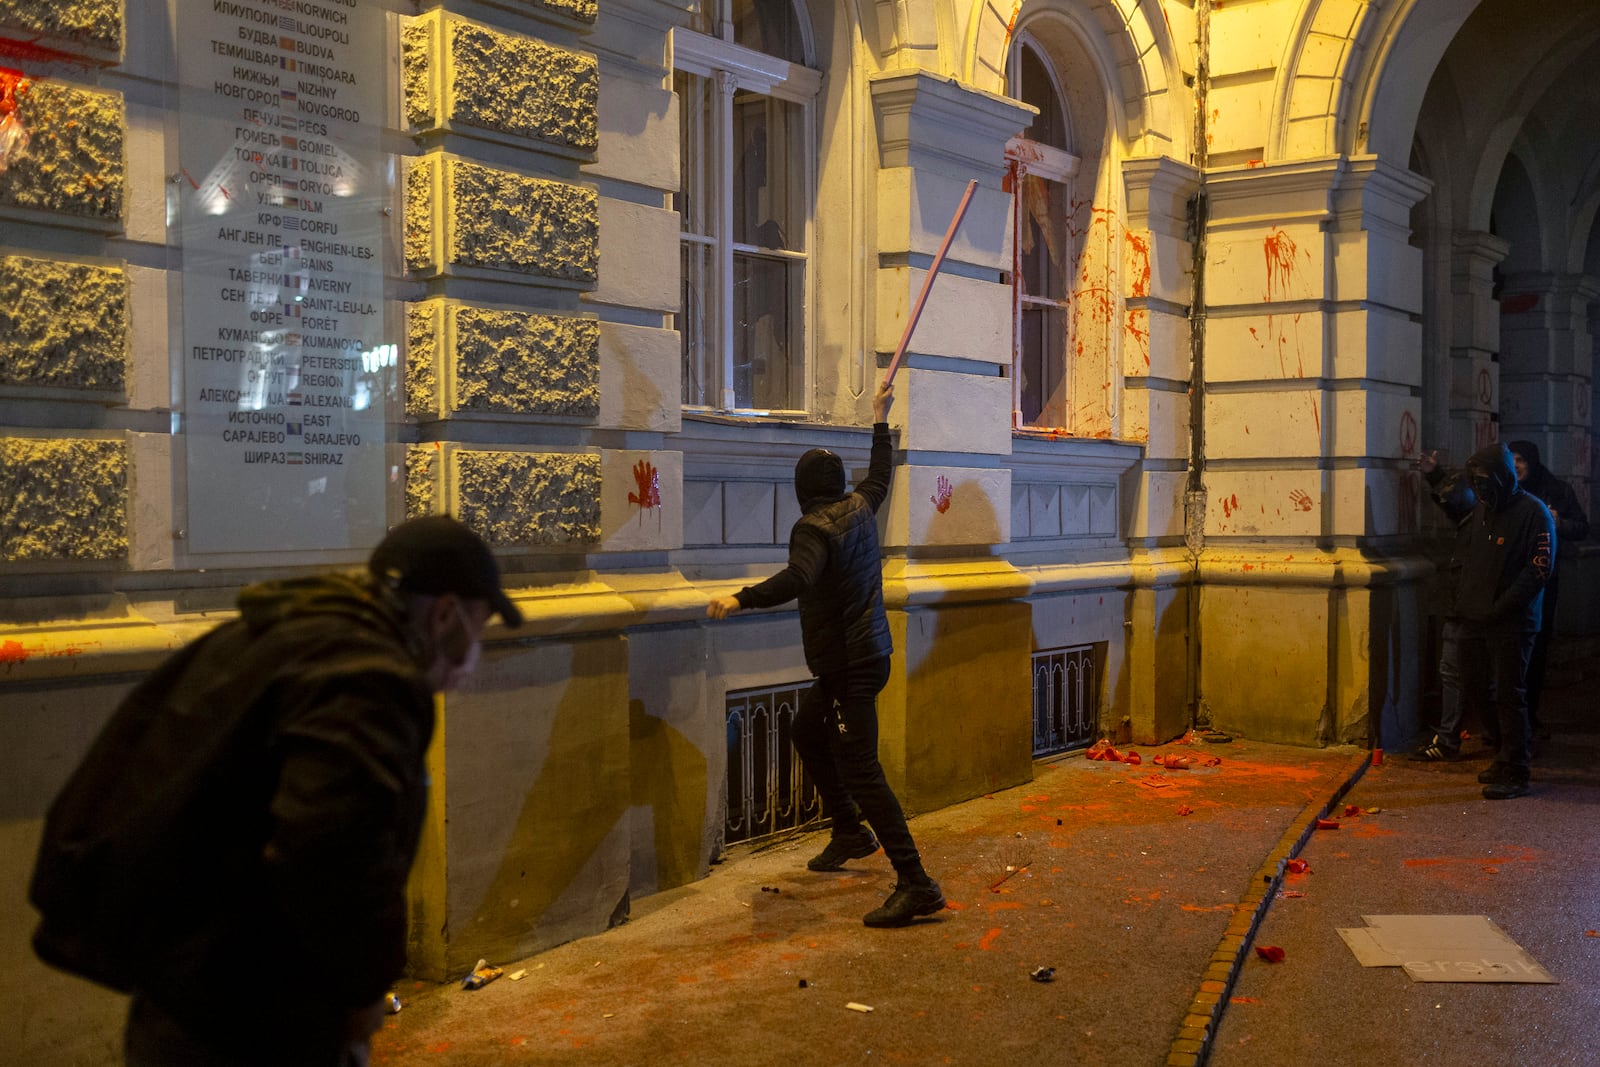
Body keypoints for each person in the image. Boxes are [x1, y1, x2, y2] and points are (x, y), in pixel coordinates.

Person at [29, 515, 522, 1066]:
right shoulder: (365, 677)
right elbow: (332, 852)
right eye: (477, 631)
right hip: (250, 1012)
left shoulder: (290, 631)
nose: (474, 654)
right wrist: (358, 994)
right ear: (445, 613)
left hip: (186, 985)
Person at [706, 379, 945, 927]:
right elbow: (882, 472)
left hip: (848, 667)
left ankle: (917, 882)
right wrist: (880, 418)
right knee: (806, 729)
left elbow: (799, 577)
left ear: (801, 490)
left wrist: (740, 598)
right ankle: (847, 830)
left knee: (864, 772)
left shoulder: (811, 528)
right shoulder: (861, 506)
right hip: (868, 656)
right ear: (837, 484)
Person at [1417, 444, 1555, 798]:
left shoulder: (1533, 512)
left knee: (1510, 694)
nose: (1479, 488)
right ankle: (1502, 753)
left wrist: (1502, 607)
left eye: (1483, 480)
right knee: (1477, 688)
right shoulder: (1481, 510)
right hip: (1475, 619)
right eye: (1474, 482)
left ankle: (1517, 767)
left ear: (1501, 477)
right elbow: (1470, 558)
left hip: (1512, 621)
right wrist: (1466, 604)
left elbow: (1537, 570)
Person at [1506, 440, 1589, 735]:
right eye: (1511, 458)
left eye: (1521, 459)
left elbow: (1582, 527)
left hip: (1543, 583)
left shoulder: (1556, 489)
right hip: (1509, 581)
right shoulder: (1505, 490)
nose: (1516, 465)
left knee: (1537, 648)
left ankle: (1529, 714)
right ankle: (1511, 718)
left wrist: (1559, 522)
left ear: (1533, 461)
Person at [1408, 460, 1479, 761]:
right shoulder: (1475, 519)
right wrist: (1436, 475)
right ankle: (1452, 736)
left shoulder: (1484, 520)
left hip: (1471, 609)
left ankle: (1452, 738)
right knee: (1454, 673)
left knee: (1458, 673)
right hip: (1461, 606)